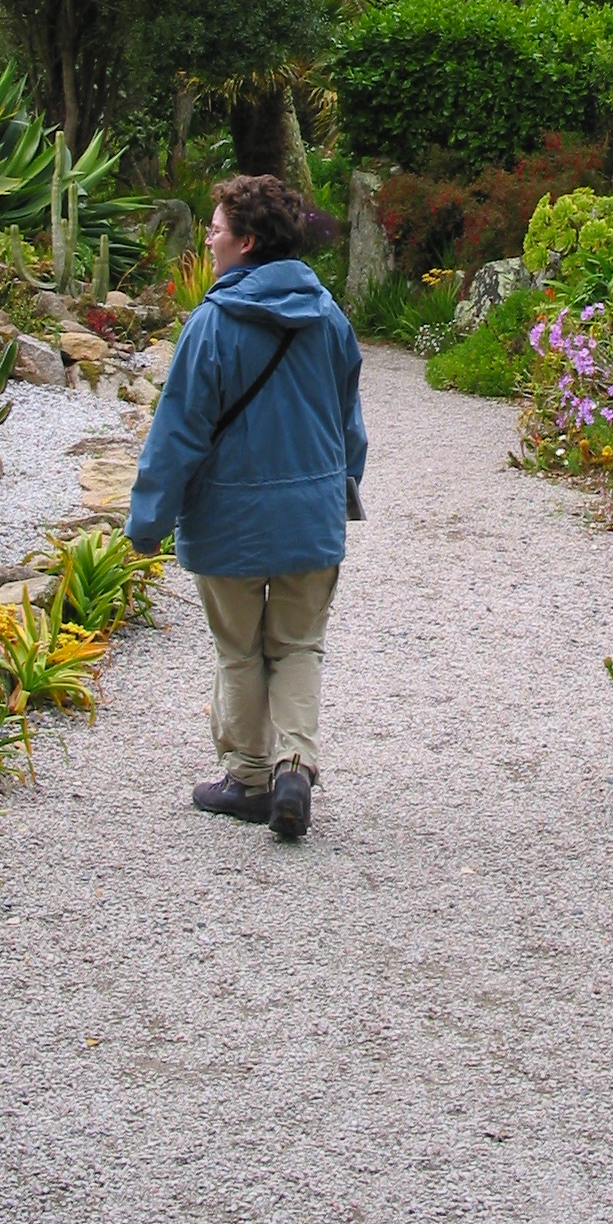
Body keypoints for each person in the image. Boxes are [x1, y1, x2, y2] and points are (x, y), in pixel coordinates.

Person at [127, 173, 366, 841]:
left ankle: (249, 778)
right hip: (310, 514)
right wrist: (342, 488)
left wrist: (147, 522)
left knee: (239, 649)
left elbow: (177, 432)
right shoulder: (328, 317)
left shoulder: (211, 325)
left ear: (247, 241)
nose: (208, 240)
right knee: (298, 646)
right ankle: (295, 766)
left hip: (226, 516)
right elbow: (347, 420)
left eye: (216, 230)